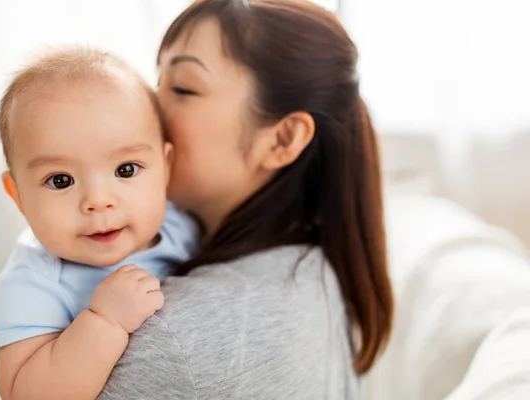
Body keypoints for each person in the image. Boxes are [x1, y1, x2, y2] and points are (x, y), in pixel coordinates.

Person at [99, 0, 393, 399]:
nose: (145, 106)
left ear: (282, 139)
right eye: (158, 81)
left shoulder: (177, 336)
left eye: (183, 87)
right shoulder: (319, 265)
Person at [0, 48, 198, 400]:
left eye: (126, 170)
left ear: (165, 167)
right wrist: (105, 322)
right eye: (60, 180)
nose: (98, 200)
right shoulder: (33, 282)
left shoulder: (183, 225)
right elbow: (24, 393)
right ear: (19, 197)